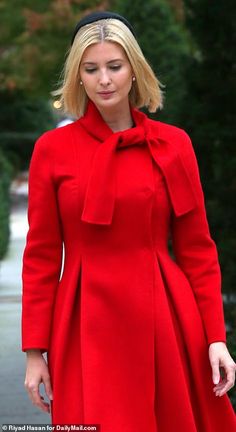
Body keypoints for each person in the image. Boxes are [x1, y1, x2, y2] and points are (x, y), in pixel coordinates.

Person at [21, 10, 236, 431]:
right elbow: (42, 257)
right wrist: (34, 351)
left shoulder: (175, 145)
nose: (104, 79)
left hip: (166, 316)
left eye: (115, 67)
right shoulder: (52, 149)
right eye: (92, 69)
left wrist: (215, 337)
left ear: (134, 70)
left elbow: (197, 249)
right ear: (78, 76)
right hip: (84, 320)